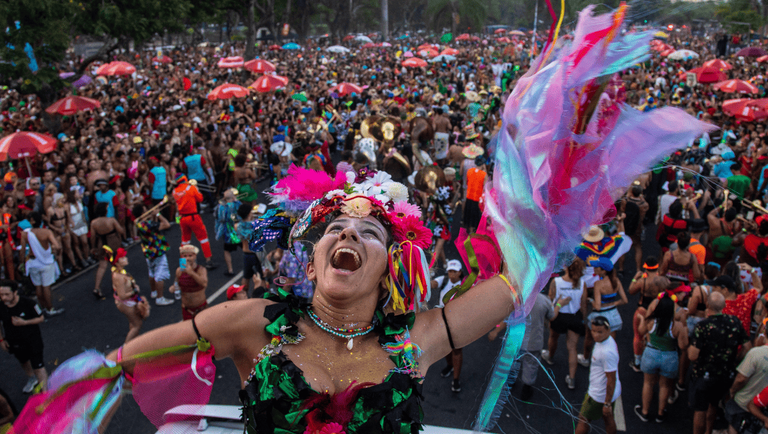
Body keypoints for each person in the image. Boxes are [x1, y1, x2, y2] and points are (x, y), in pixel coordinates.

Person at [689, 292, 751, 434]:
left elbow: (693, 355)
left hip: (703, 375)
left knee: (700, 409)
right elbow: (747, 347)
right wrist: (735, 360)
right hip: (725, 374)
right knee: (713, 405)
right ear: (724, 306)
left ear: (708, 306)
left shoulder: (703, 326)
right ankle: (709, 431)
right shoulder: (734, 322)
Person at [634, 292, 688, 423]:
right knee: (664, 385)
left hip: (651, 354)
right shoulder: (677, 326)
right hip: (669, 357)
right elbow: (683, 345)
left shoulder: (651, 321)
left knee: (648, 383)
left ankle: (645, 412)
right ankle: (660, 413)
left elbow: (640, 332)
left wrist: (642, 319)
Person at [543, 259, 587, 390]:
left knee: (553, 337)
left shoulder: (556, 282)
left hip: (559, 316)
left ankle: (550, 357)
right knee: (573, 348)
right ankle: (572, 379)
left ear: (565, 266)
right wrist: (582, 320)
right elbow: (584, 304)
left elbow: (550, 301)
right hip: (575, 317)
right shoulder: (582, 283)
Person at [519, 288, 568, 401]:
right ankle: (526, 390)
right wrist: (559, 304)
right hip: (533, 341)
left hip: (516, 340)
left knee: (513, 361)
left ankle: (510, 383)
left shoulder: (517, 299)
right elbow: (552, 316)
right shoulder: (543, 300)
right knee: (531, 364)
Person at [574, 316, 621, 434]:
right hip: (606, 394)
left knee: (583, 418)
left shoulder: (606, 353)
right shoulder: (608, 340)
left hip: (598, 394)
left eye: (600, 332)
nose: (595, 335)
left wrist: (606, 403)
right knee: (608, 417)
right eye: (593, 331)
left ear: (608, 330)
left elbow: (611, 378)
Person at [0, 281, 48, 394]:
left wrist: (24, 322)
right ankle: (32, 378)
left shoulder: (28, 303)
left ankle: (46, 393)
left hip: (32, 340)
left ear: (15, 292)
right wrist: (1, 340)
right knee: (24, 361)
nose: (4, 298)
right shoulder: (1, 306)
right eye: (1, 295)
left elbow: (41, 318)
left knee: (38, 366)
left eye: (7, 294)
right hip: (14, 342)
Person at [20, 212, 63, 316]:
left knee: (38, 287)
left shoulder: (25, 233)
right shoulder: (47, 232)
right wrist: (56, 254)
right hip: (46, 262)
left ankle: (43, 307)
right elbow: (57, 246)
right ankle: (50, 309)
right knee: (46, 287)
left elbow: (22, 250)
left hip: (33, 262)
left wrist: (21, 263)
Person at [431, 259, 465, 392]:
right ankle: (450, 366)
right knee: (445, 348)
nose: (452, 274)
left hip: (458, 323)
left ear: (460, 272)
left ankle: (456, 379)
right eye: (450, 271)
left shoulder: (465, 285)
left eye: (454, 271)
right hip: (443, 322)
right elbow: (433, 284)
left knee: (457, 350)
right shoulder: (443, 280)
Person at [173, 174, 216, 269]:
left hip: (183, 218)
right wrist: (197, 189)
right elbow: (200, 199)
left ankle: (183, 264)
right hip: (193, 217)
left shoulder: (175, 191)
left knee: (185, 241)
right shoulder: (191, 188)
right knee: (203, 238)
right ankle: (208, 261)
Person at [134, 204, 174, 306]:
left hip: (148, 251)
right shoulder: (149, 224)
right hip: (157, 251)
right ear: (142, 213)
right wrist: (158, 214)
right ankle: (160, 298)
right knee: (160, 275)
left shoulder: (138, 222)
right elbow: (166, 224)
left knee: (151, 273)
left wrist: (152, 216)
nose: (148, 210)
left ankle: (154, 292)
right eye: (145, 209)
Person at [724, 343, 768, 434]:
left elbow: (741, 379)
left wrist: (732, 390)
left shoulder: (756, 353)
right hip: (761, 408)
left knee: (734, 426)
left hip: (743, 401)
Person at [108, 247, 146, 343]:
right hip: (125, 303)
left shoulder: (121, 272)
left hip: (129, 301)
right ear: (117, 262)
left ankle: (133, 343)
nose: (126, 258)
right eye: (123, 258)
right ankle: (125, 349)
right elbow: (122, 296)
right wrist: (134, 291)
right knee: (137, 325)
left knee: (133, 323)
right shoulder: (118, 277)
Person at [90, 202, 125, 300]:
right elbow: (120, 231)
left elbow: (93, 237)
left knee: (102, 266)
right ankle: (117, 288)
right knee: (116, 265)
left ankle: (97, 288)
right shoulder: (111, 220)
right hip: (113, 242)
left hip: (102, 244)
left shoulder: (94, 222)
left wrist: (93, 247)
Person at [171, 244, 209, 321]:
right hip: (187, 310)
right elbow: (176, 284)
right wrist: (172, 288)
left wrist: (191, 273)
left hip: (201, 308)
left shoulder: (201, 270)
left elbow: (204, 283)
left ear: (195, 256)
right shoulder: (179, 271)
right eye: (185, 256)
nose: (187, 258)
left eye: (190, 256)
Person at [215, 188, 242, 276]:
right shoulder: (237, 204)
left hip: (228, 233)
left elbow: (220, 218)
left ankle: (230, 270)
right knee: (247, 248)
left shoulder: (222, 207)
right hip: (239, 231)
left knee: (227, 251)